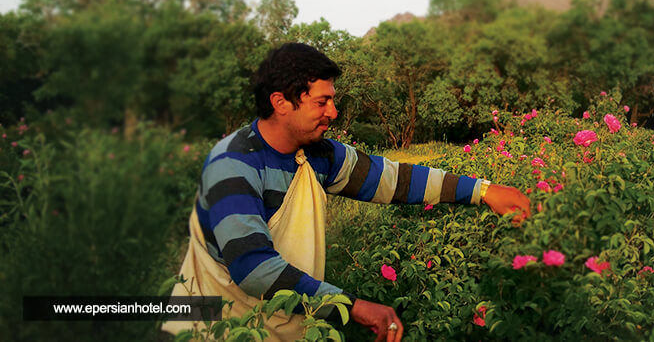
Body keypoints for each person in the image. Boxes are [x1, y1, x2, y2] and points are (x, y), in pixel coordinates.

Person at [162, 43, 530, 342]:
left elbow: (394, 180)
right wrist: (352, 306)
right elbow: (253, 268)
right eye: (321, 102)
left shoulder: (319, 154)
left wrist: (483, 191)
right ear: (280, 103)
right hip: (213, 328)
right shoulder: (234, 163)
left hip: (281, 325)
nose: (333, 112)